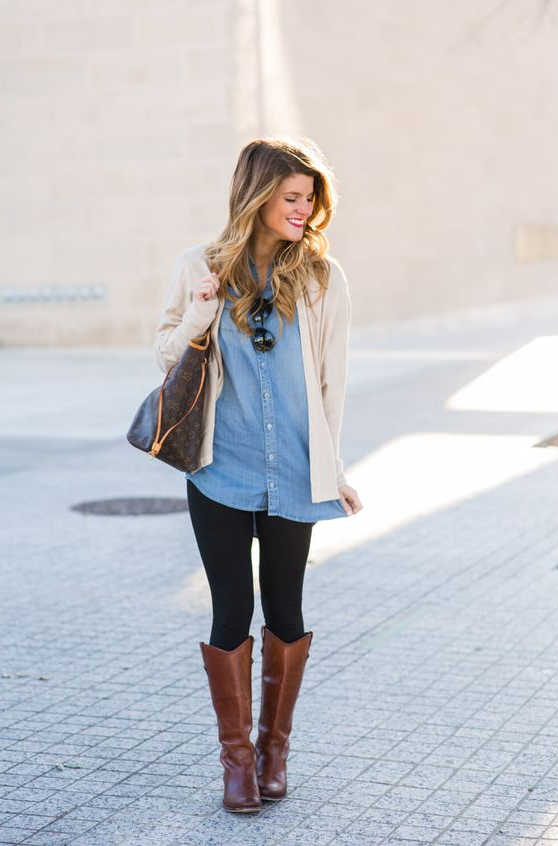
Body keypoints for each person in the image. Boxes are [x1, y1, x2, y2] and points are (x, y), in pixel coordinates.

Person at [153, 137, 363, 814]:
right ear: (257, 197)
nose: (303, 210)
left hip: (295, 474)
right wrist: (201, 311)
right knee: (230, 611)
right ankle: (236, 762)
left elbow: (331, 384)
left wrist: (334, 469)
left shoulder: (323, 279)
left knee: (289, 609)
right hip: (219, 468)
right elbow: (163, 353)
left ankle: (275, 753)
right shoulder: (200, 265)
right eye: (291, 198)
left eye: (310, 199)